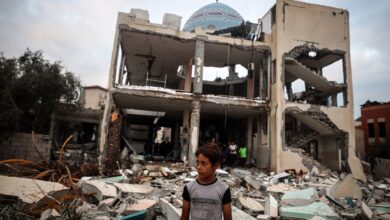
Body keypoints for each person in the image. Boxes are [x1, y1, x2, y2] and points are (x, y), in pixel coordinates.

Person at [180, 145, 232, 220]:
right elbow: (184, 217)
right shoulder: (189, 187)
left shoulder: (223, 189)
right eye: (197, 162)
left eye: (204, 163)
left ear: (216, 165)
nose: (199, 167)